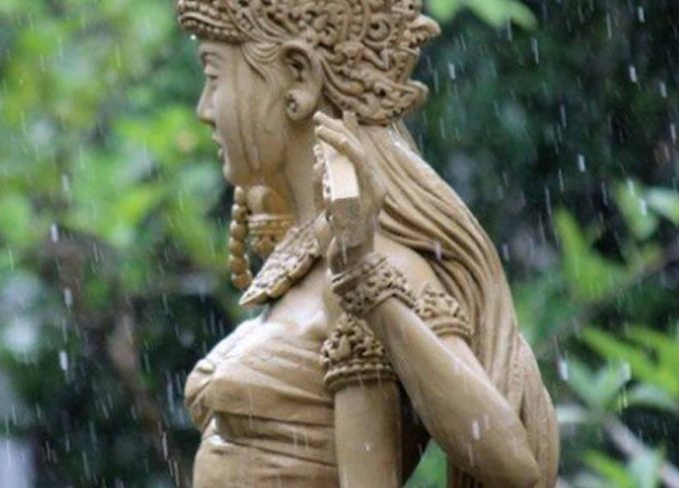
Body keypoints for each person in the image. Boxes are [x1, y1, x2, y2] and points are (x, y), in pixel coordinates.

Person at [177, 0, 560, 486]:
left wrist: (366, 283)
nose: (205, 110)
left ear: (298, 77)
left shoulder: (371, 270)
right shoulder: (311, 262)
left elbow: (512, 465)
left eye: (213, 76)